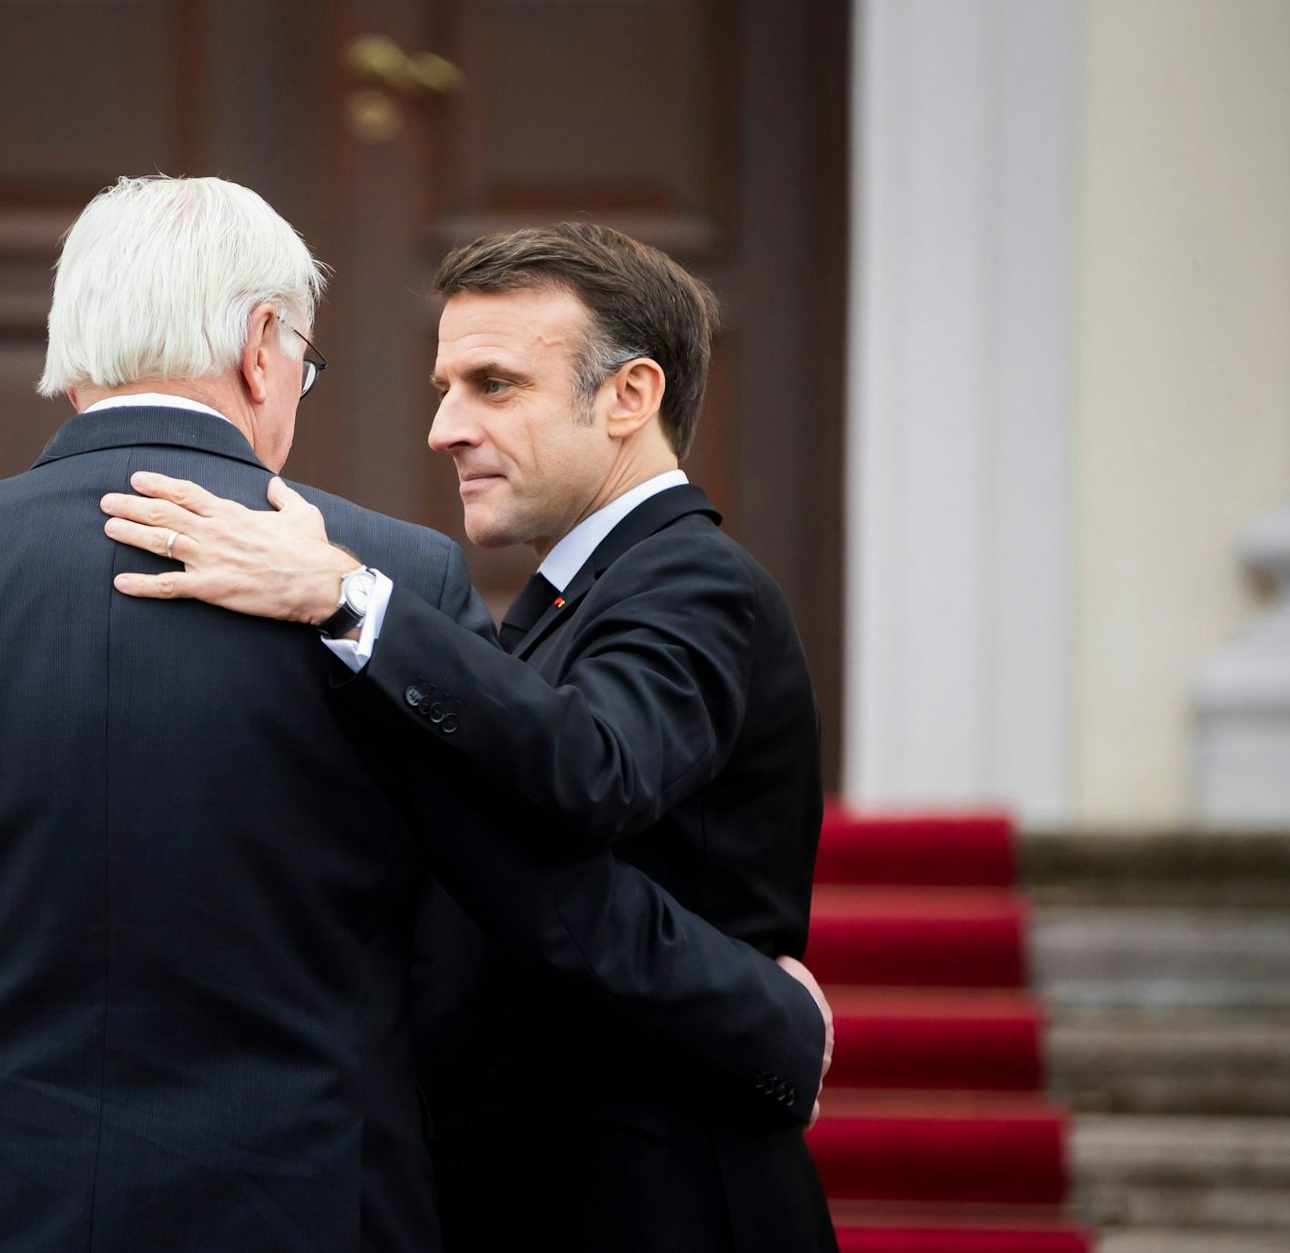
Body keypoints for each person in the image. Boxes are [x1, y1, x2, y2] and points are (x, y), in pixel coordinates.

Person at [0, 178, 828, 1253]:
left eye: (489, 384)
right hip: (304, 1204)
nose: (442, 428)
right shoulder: (397, 576)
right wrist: (763, 1015)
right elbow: (495, 905)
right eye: (310, 366)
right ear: (263, 346)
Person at [101, 221, 837, 1250]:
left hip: (656, 1195)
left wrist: (342, 593)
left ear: (628, 395)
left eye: (493, 385)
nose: (444, 426)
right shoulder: (579, 590)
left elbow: (590, 767)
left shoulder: (693, 580)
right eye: (444, 388)